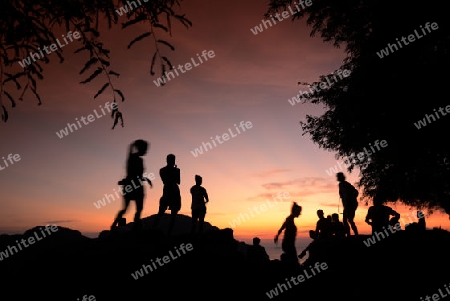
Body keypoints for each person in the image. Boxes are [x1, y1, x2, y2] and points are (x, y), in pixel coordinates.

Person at [111, 139, 152, 231]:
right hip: (131, 186)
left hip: (138, 186)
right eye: (144, 149)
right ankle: (114, 225)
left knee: (139, 209)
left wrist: (146, 179)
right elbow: (133, 174)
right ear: (139, 148)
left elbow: (139, 175)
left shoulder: (140, 160)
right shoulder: (132, 157)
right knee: (125, 208)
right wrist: (135, 143)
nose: (145, 151)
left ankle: (136, 228)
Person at [152, 154, 181, 236]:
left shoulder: (162, 170)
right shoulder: (176, 170)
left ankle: (154, 229)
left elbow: (165, 181)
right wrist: (175, 170)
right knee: (171, 214)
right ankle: (168, 234)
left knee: (161, 212)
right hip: (173, 192)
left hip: (168, 191)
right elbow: (178, 181)